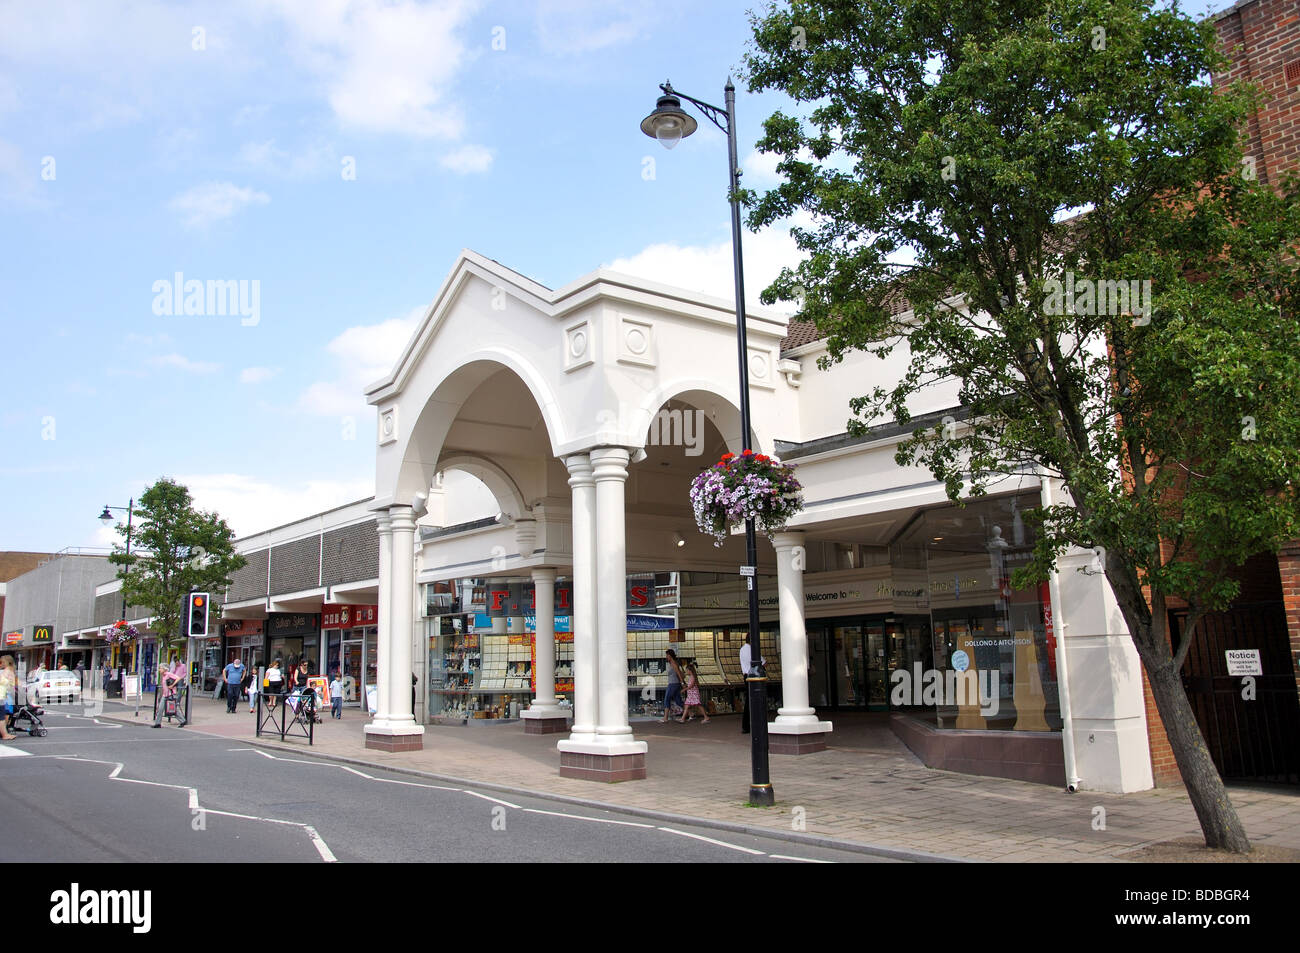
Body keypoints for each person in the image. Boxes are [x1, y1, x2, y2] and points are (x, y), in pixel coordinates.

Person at [739, 640, 766, 734]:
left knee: (748, 701)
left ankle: (746, 726)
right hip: (754, 675)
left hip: (746, 675)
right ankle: (757, 724)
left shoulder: (742, 649)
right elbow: (763, 662)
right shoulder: (753, 649)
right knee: (756, 700)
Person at [152, 658, 187, 728]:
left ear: (164, 669)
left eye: (160, 668)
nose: (159, 670)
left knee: (173, 709)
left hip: (171, 694)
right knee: (160, 709)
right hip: (165, 695)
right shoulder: (163, 676)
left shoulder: (168, 674)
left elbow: (178, 678)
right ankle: (158, 723)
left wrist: (172, 685)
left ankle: (182, 720)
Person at [661, 648, 684, 723]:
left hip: (673, 684)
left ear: (670, 656)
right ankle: (691, 713)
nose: (666, 657)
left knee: (667, 699)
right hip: (675, 684)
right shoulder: (672, 663)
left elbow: (678, 673)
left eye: (667, 655)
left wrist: (682, 683)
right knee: (678, 700)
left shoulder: (673, 663)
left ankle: (665, 717)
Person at [0, 655, 18, 741]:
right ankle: (4, 734)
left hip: (4, 695)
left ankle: (4, 733)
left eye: (2, 662)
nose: (1, 664)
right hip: (3, 696)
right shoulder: (7, 671)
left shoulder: (7, 671)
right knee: (2, 716)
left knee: (3, 716)